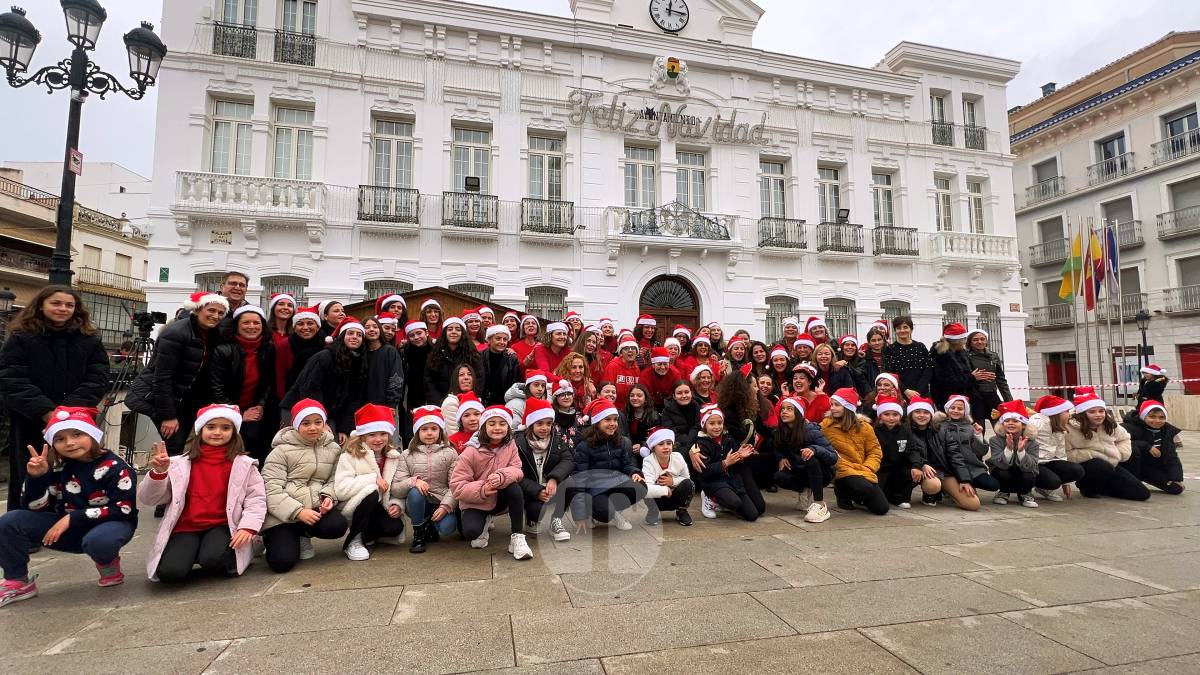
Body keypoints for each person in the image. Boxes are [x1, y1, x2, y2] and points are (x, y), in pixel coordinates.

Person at [0, 407, 137, 605]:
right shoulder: (56, 466)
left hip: (110, 524)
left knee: (99, 541)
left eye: (77, 434)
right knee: (11, 521)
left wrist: (73, 517)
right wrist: (36, 478)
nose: (70, 443)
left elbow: (124, 509)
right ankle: (17, 581)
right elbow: (34, 508)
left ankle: (107, 561)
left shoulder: (116, 467)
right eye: (60, 438)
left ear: (92, 434)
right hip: (67, 530)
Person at [0, 286, 110, 511]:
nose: (63, 309)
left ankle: (69, 519)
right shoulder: (21, 339)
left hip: (75, 420)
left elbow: (98, 377)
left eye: (69, 305)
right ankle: (24, 523)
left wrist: (67, 412)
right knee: (29, 470)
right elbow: (12, 379)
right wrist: (46, 411)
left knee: (74, 471)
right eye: (56, 303)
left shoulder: (89, 340)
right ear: (41, 305)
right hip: (31, 420)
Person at [140, 404, 265, 582]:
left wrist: (248, 527)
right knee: (170, 573)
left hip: (221, 525)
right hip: (186, 526)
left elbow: (256, 499)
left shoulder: (244, 464)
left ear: (234, 432)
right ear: (200, 429)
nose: (217, 432)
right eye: (211, 427)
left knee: (213, 560)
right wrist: (159, 473)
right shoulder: (178, 463)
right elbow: (148, 499)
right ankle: (193, 551)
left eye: (225, 428)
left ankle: (241, 549)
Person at [126, 291, 229, 473]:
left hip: (188, 400)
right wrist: (168, 416)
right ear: (197, 310)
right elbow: (163, 376)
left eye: (221, 313)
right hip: (166, 401)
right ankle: (166, 496)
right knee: (175, 449)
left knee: (187, 449)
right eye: (211, 310)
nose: (216, 316)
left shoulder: (214, 333)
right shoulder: (175, 333)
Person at [260, 399, 348, 573]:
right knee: (282, 562)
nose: (313, 427)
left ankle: (303, 534)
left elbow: (334, 479)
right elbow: (270, 489)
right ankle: (272, 540)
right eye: (306, 423)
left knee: (337, 525)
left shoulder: (333, 448)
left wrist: (328, 497)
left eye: (318, 422)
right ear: (295, 425)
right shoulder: (280, 451)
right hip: (282, 515)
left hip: (314, 508)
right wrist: (298, 512)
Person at [450, 405, 533, 560]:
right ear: (483, 426)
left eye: (502, 424)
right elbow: (457, 486)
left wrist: (502, 476)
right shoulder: (470, 451)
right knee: (471, 532)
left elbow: (517, 469)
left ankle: (517, 537)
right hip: (476, 501)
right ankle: (484, 521)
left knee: (514, 488)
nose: (497, 428)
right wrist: (482, 488)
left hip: (500, 496)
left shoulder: (510, 445)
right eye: (492, 423)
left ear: (508, 427)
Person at [332, 404, 406, 561]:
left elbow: (397, 487)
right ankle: (354, 540)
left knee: (395, 527)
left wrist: (396, 504)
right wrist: (373, 479)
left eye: (382, 434)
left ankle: (367, 533)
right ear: (363, 436)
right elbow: (341, 489)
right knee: (371, 491)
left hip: (379, 507)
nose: (378, 439)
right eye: (372, 435)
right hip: (356, 505)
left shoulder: (393, 457)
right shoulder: (350, 455)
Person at [282, 317, 368, 442]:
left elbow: (353, 398)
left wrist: (343, 428)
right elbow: (310, 389)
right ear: (342, 336)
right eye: (350, 333)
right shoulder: (326, 356)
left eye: (359, 335)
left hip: (328, 412)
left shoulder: (359, 362)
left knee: (334, 442)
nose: (355, 337)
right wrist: (320, 421)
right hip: (299, 406)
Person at [210, 305, 276, 463]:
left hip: (254, 409)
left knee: (257, 445)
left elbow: (269, 382)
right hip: (227, 409)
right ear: (237, 326)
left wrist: (261, 405)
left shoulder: (268, 349)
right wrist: (237, 414)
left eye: (256, 323)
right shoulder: (223, 351)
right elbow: (216, 387)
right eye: (246, 323)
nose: (252, 327)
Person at [570, 398, 647, 530]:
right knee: (604, 514)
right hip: (594, 490)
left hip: (614, 484)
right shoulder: (585, 445)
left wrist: (634, 472)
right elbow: (580, 479)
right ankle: (593, 512)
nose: (612, 423)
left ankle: (615, 512)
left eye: (615, 419)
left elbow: (626, 465)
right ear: (597, 422)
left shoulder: (620, 441)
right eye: (607, 420)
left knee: (640, 487)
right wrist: (580, 514)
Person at [393, 406, 460, 553]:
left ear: (440, 431)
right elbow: (396, 488)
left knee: (447, 527)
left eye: (433, 429)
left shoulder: (450, 453)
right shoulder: (407, 454)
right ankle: (419, 533)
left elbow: (455, 485)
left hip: (440, 501)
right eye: (424, 429)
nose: (429, 433)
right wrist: (413, 481)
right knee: (415, 492)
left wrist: (445, 506)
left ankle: (430, 525)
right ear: (417, 432)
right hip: (417, 503)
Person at [1065, 391, 1150, 501]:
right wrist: (1094, 454)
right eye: (1092, 412)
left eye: (1101, 411)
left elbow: (1124, 438)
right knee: (1099, 465)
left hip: (1111, 463)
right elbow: (1065, 454)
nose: (1098, 415)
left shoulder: (1108, 423)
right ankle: (1087, 488)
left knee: (1142, 494)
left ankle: (1105, 487)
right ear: (1082, 413)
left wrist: (1119, 453)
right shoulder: (1069, 429)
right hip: (1088, 467)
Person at [690, 403, 765, 521]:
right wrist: (725, 463)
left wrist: (740, 455)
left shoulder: (728, 438)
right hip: (714, 482)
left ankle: (726, 500)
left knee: (754, 514)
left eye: (719, 423)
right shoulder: (700, 444)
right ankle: (711, 498)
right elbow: (704, 471)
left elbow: (736, 457)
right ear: (704, 425)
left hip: (733, 480)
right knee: (733, 502)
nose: (717, 427)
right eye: (712, 423)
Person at [767, 396, 836, 523]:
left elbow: (833, 457)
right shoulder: (780, 431)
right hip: (799, 470)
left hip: (822, 473)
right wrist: (781, 458)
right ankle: (805, 490)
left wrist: (814, 450)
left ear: (798, 413)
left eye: (789, 409)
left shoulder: (811, 431)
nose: (784, 412)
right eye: (782, 409)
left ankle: (820, 504)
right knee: (779, 476)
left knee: (811, 458)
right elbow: (776, 447)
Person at [821, 389, 888, 515]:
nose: (833, 408)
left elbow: (875, 451)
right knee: (864, 488)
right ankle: (842, 491)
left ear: (848, 407)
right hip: (841, 469)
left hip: (863, 469)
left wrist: (868, 467)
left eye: (837, 405)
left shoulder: (865, 427)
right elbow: (825, 451)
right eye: (832, 405)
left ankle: (856, 494)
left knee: (882, 508)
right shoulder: (826, 426)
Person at [515, 398, 574, 542]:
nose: (545, 428)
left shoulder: (556, 439)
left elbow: (568, 460)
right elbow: (516, 474)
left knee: (572, 482)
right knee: (537, 511)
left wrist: (554, 478)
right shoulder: (518, 443)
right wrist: (536, 490)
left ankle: (556, 521)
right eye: (539, 423)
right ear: (530, 424)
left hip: (550, 486)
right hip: (530, 490)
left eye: (549, 423)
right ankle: (531, 519)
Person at [938, 394, 1001, 503]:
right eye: (952, 408)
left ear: (965, 411)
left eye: (960, 409)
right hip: (949, 467)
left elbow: (982, 451)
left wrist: (978, 436)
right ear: (947, 409)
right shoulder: (941, 427)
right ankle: (949, 488)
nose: (956, 411)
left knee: (993, 485)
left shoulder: (969, 427)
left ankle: (969, 483)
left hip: (972, 467)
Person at [1027, 395, 1084, 501]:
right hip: (1034, 463)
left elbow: (1061, 453)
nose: (1069, 415)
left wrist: (1066, 483)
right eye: (1066, 411)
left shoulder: (1059, 427)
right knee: (1053, 482)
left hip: (1049, 461)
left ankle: (1043, 487)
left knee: (1077, 470)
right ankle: (1026, 488)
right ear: (1056, 413)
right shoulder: (1037, 422)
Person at [986, 400, 1041, 508]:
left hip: (1024, 472)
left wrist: (1021, 452)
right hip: (1005, 470)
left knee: (1029, 474)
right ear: (1002, 424)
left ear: (1023, 425)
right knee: (1000, 472)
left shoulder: (1032, 442)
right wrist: (1008, 449)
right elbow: (998, 463)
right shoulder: (995, 440)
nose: (1010, 423)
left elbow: (1031, 466)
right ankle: (1004, 492)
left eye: (1015, 421)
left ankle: (1025, 493)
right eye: (1007, 420)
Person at [1123, 400, 1185, 495]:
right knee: (1134, 450)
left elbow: (1172, 457)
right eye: (1152, 417)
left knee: (1176, 488)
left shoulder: (1167, 431)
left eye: (1161, 417)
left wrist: (1176, 478)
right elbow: (1119, 443)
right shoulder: (1128, 427)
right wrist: (1147, 446)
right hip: (1130, 466)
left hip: (1149, 469)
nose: (1157, 421)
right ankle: (1129, 482)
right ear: (1143, 416)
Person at [873, 395, 920, 508]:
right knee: (878, 495)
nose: (891, 418)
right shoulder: (874, 430)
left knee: (912, 473)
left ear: (900, 415)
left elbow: (912, 449)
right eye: (887, 414)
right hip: (880, 468)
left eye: (895, 415)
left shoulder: (905, 430)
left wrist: (916, 465)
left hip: (898, 467)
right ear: (880, 416)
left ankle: (899, 498)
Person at [641, 427, 694, 526]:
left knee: (689, 484)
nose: (666, 447)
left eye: (669, 443)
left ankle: (682, 511)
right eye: (661, 444)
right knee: (642, 486)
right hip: (658, 498)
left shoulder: (678, 457)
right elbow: (647, 489)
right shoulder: (648, 461)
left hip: (675, 497)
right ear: (653, 448)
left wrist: (672, 481)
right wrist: (665, 490)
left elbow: (687, 478)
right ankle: (653, 510)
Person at [424, 316, 482, 405]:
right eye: (450, 329)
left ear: (463, 333)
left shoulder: (472, 354)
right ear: (445, 333)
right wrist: (439, 403)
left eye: (458, 329)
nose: (454, 332)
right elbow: (429, 381)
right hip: (440, 404)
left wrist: (469, 400)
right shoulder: (435, 354)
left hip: (467, 404)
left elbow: (479, 378)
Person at [905, 396, 948, 507]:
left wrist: (963, 479)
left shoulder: (939, 430)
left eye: (926, 412)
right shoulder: (905, 430)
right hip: (915, 466)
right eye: (917, 412)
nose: (922, 415)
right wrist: (922, 463)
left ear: (931, 415)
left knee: (972, 503)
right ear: (911, 414)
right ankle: (929, 492)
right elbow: (907, 452)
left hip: (937, 468)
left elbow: (951, 453)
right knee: (933, 484)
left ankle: (938, 492)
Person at [362, 316, 406, 411]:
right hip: (363, 406)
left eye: (375, 326)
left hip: (387, 406)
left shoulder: (390, 351)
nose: (372, 329)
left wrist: (392, 404)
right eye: (367, 327)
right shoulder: (360, 353)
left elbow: (396, 379)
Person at [882, 315, 932, 399]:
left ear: (911, 329)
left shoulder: (920, 346)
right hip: (901, 394)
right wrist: (905, 390)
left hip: (922, 393)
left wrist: (918, 392)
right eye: (898, 328)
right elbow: (890, 373)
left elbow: (928, 369)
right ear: (895, 330)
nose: (902, 330)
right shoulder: (889, 349)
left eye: (905, 327)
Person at [282, 304, 325, 393]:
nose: (305, 328)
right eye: (300, 324)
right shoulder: (285, 345)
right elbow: (279, 376)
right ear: (294, 328)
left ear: (317, 326)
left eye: (310, 323)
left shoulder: (326, 345)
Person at [478, 325, 521, 407]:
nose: (502, 342)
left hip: (504, 402)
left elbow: (515, 382)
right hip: (482, 402)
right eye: (498, 338)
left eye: (505, 339)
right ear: (489, 340)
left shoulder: (512, 359)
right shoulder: (479, 356)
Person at [662, 380, 701, 454]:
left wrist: (694, 447)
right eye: (679, 393)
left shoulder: (697, 405)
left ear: (691, 393)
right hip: (678, 445)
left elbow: (698, 426)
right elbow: (671, 433)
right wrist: (692, 446)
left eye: (686, 392)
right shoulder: (667, 411)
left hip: (697, 442)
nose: (684, 396)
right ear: (674, 396)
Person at [601, 336, 642, 408]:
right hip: (615, 409)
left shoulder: (637, 369)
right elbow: (606, 391)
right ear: (621, 353)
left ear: (637, 352)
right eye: (626, 348)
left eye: (633, 348)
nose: (630, 350)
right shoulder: (612, 366)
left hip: (631, 409)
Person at [402, 319, 433, 410]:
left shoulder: (436, 350)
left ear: (426, 333)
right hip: (412, 397)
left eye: (419, 333)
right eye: (412, 335)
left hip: (433, 394)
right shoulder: (404, 353)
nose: (416, 337)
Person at [442, 363, 479, 436]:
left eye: (469, 374)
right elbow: (453, 435)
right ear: (455, 379)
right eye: (461, 375)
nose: (466, 377)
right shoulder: (450, 402)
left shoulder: (476, 400)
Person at [624, 383, 660, 454]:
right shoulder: (624, 414)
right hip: (627, 450)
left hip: (647, 452)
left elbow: (656, 438)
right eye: (632, 395)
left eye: (639, 396)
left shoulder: (653, 416)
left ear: (645, 399)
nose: (635, 398)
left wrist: (642, 445)